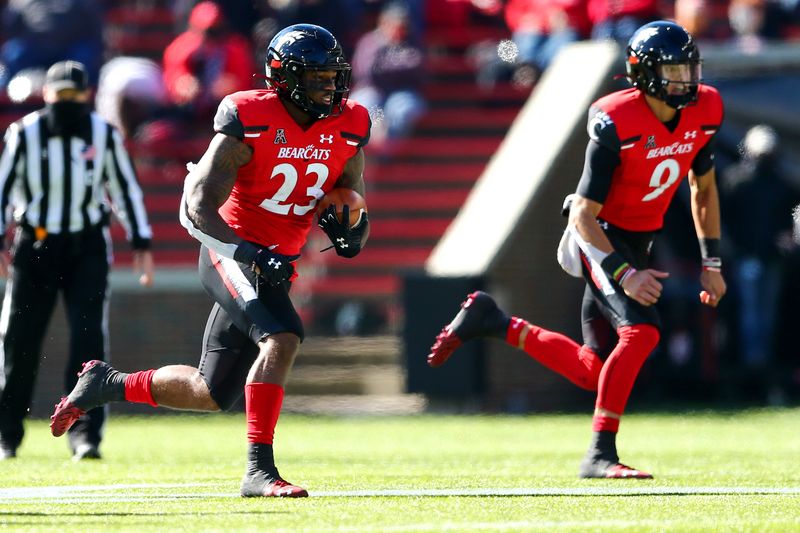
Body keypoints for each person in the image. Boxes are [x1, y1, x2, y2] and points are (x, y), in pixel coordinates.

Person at [50, 24, 371, 497]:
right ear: (283, 77)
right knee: (282, 337)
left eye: (332, 75)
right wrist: (248, 252)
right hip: (233, 249)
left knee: (211, 392)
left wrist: (353, 234)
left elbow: (355, 199)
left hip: (275, 259)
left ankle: (107, 382)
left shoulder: (350, 122)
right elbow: (194, 209)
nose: (329, 86)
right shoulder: (249, 117)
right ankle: (259, 471)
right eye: (316, 76)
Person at [427, 21, 726, 479]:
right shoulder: (616, 118)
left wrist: (711, 262)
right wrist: (627, 273)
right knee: (641, 333)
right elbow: (584, 215)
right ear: (642, 73)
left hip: (637, 239)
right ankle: (600, 453)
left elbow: (702, 189)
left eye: (688, 69)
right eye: (673, 71)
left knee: (591, 370)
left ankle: (493, 320)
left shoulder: (705, 108)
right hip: (598, 234)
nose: (685, 81)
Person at [0, 60, 155, 461]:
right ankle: (7, 435)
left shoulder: (103, 134)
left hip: (85, 247)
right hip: (35, 247)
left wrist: (141, 240)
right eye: (60, 94)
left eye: (74, 94)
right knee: (19, 342)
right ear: (47, 94)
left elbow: (125, 188)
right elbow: (2, 189)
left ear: (86, 95)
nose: (66, 101)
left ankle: (86, 435)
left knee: (89, 343)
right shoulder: (24, 134)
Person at [721, 125, 798, 389]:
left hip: (771, 258)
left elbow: (791, 217)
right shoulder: (736, 181)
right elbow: (725, 220)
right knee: (751, 315)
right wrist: (735, 249)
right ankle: (753, 369)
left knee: (766, 315)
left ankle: (763, 368)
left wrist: (787, 238)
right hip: (747, 257)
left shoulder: (781, 184)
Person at [162, 1, 255, 120]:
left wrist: (233, 85)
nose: (211, 38)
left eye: (217, 31)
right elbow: (173, 75)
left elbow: (244, 78)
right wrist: (181, 84)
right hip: (187, 112)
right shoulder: (180, 48)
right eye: (208, 32)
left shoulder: (235, 47)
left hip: (224, 111)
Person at [350, 2, 426, 144]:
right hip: (372, 90)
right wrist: (398, 66)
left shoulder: (412, 42)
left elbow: (417, 69)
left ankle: (387, 153)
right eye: (394, 24)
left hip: (401, 91)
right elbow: (365, 72)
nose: (398, 29)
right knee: (367, 107)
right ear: (383, 22)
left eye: (402, 25)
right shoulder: (370, 41)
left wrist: (385, 68)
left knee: (401, 109)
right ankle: (372, 150)